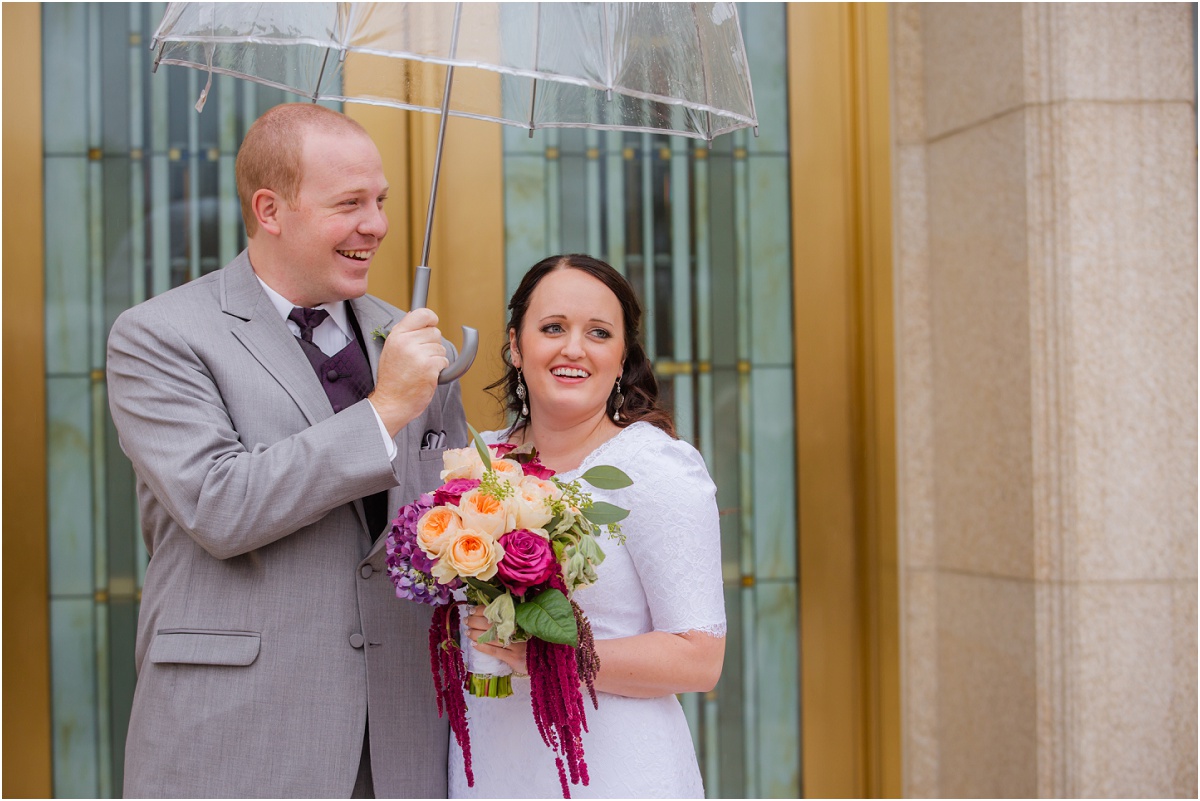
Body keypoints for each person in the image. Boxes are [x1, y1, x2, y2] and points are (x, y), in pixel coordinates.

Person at [107, 103, 468, 798]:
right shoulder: (158, 336)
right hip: (238, 736)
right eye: (350, 203)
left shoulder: (412, 340)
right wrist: (386, 407)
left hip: (401, 739)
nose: (377, 225)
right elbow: (220, 506)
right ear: (270, 209)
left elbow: (445, 519)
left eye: (383, 201)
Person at [451, 254, 726, 798]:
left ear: (622, 358)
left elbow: (698, 658)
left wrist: (550, 656)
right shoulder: (480, 466)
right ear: (515, 344)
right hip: (490, 764)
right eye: (553, 328)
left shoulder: (654, 467)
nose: (573, 348)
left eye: (598, 333)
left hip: (614, 769)